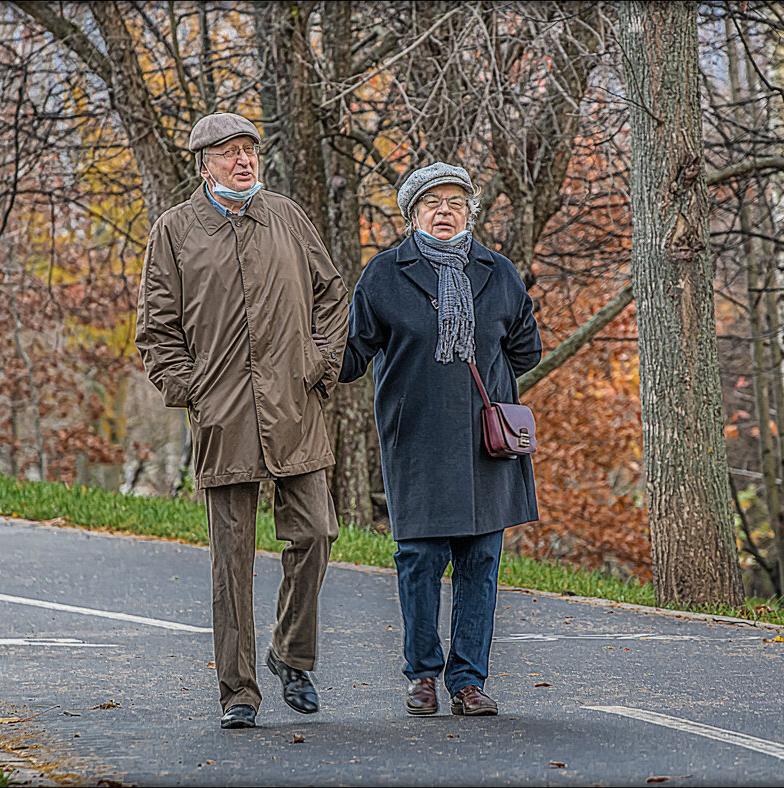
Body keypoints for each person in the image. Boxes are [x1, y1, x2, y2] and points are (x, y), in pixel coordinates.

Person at [135, 112, 349, 730]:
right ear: (205, 165)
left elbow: (332, 295)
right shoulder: (174, 231)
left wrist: (319, 365)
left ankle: (291, 653)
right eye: (230, 153)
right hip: (223, 418)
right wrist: (193, 390)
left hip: (294, 408)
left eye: (250, 150)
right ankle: (238, 693)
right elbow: (156, 328)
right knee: (231, 560)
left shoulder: (284, 216)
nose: (245, 160)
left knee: (315, 533)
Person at [338, 162, 542, 717]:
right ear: (412, 215)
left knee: (480, 561)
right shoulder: (384, 274)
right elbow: (353, 355)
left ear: (470, 212)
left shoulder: (497, 273)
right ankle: (423, 675)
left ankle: (469, 681)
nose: (444, 211)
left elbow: (526, 348)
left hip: (484, 444)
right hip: (417, 440)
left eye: (455, 201)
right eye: (432, 203)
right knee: (420, 560)